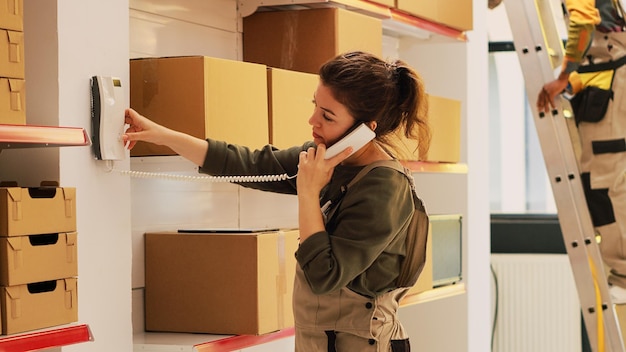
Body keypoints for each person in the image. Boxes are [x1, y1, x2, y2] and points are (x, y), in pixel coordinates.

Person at [124, 51, 431, 352]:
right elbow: (250, 165)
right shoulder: (329, 158)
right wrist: (161, 135)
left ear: (366, 129)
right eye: (315, 106)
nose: (313, 121)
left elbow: (324, 275)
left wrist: (309, 193)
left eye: (327, 116)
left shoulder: (384, 186)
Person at [536, 0, 626, 303]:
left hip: (613, 84)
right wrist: (572, 80)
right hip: (606, 80)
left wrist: (564, 76)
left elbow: (584, 20)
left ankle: (624, 275)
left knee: (606, 182)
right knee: (599, 181)